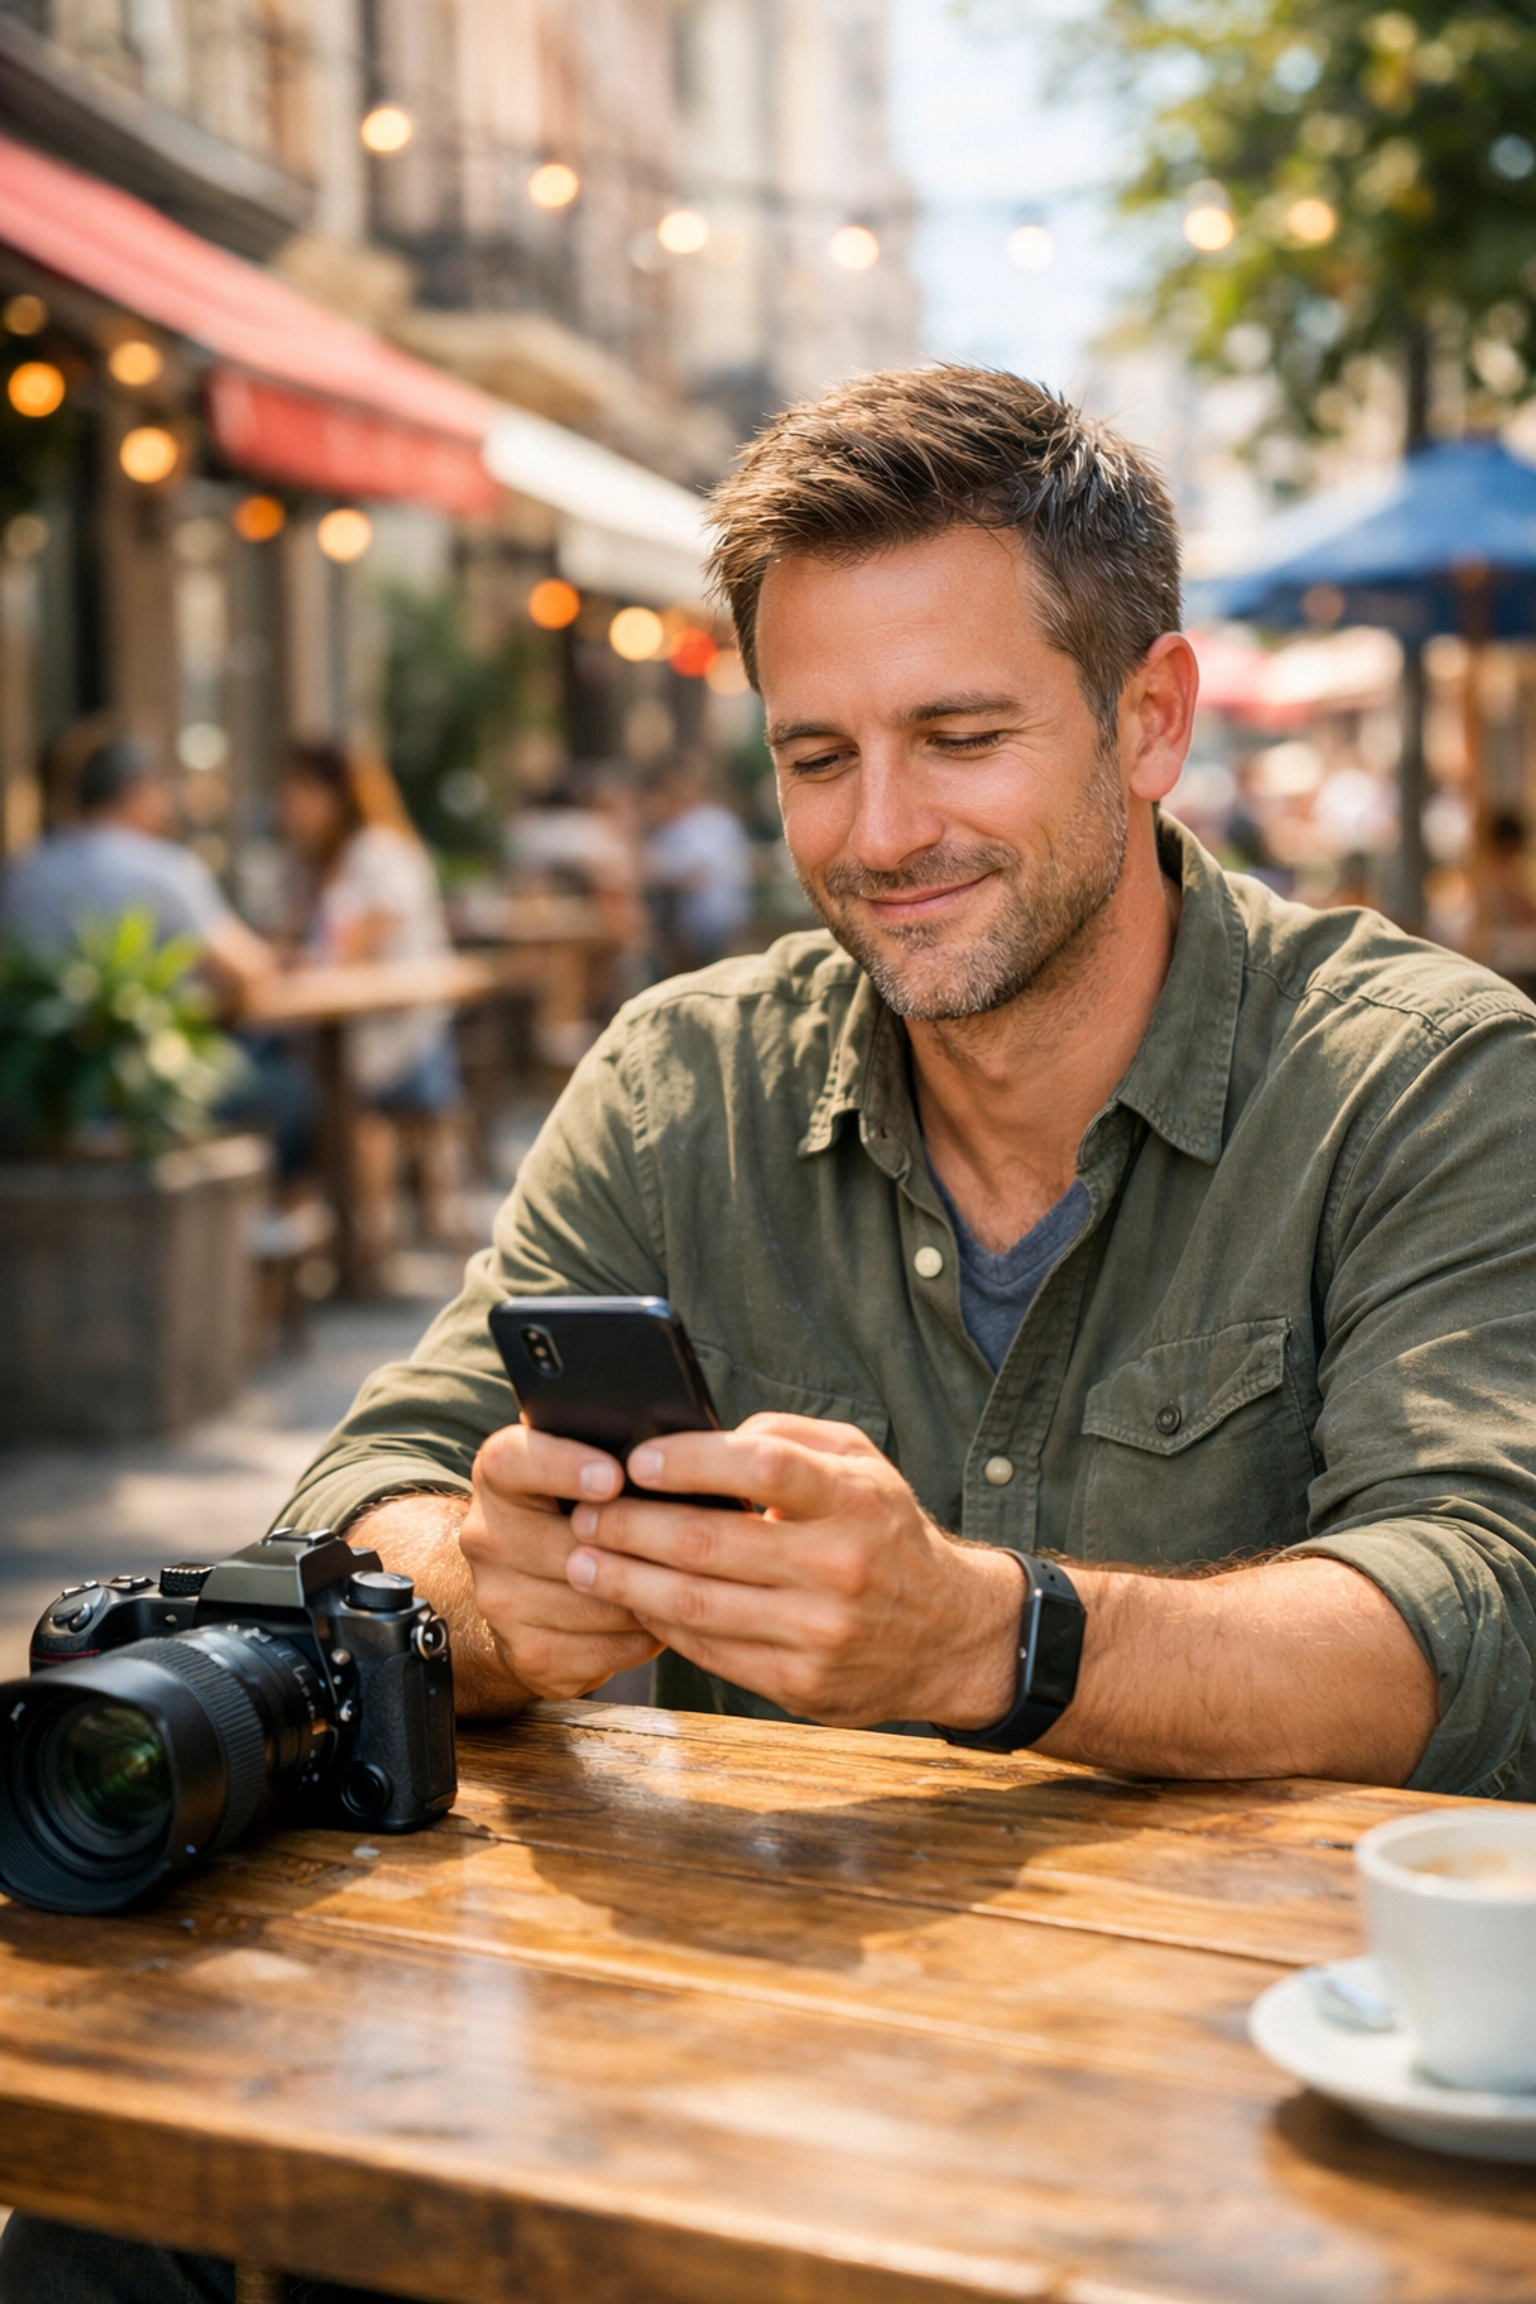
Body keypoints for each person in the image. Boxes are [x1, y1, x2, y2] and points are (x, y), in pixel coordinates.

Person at [7, 365, 1536, 2299]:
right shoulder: (680, 1079)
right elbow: (360, 1494)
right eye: (816, 755)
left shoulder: (1427, 1081)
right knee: (110, 2212)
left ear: (1150, 717)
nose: (880, 830)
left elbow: (1479, 1606)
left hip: (1257, 2129)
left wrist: (992, 1632)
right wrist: (482, 1592)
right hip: (740, 2101)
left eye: (958, 735)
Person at [278, 741, 462, 1252]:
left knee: (306, 1090)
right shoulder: (326, 860)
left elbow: (362, 938)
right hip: (360, 1022)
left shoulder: (377, 852)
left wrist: (304, 961)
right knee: (291, 1074)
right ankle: (329, 1235)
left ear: (329, 795)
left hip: (397, 1028)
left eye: (295, 793)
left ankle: (349, 1238)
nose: (287, 807)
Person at [0, 735, 273, 1003]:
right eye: (161, 790)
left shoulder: (24, 871)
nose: (167, 805)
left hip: (30, 1044)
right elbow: (244, 970)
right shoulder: (164, 868)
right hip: (146, 1044)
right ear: (135, 790)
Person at [643, 758, 754, 970]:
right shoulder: (716, 819)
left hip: (708, 925)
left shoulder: (702, 822)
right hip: (725, 921)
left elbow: (693, 875)